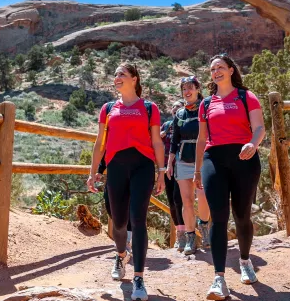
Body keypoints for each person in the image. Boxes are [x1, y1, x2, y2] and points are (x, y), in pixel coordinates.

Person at [87, 63, 165, 301]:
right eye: (115, 74)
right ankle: (121, 254)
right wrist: (93, 172)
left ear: (134, 79)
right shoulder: (109, 108)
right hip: (116, 169)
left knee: (138, 219)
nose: (117, 77)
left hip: (142, 167)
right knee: (119, 223)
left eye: (122, 74)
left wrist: (161, 172)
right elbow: (100, 142)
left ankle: (139, 278)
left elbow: (157, 142)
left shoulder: (150, 108)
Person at [193, 54, 266, 300]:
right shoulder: (205, 104)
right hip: (214, 160)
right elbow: (202, 139)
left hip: (245, 159)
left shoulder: (247, 97)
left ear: (232, 70)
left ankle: (245, 260)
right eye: (212, 69)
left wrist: (253, 144)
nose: (216, 72)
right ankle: (219, 278)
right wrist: (196, 170)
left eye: (220, 67)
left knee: (242, 215)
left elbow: (259, 128)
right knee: (219, 217)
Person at [167, 76, 211, 255]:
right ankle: (190, 237)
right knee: (186, 201)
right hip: (183, 161)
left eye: (190, 87)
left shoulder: (206, 108)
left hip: (204, 159)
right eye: (184, 89)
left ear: (198, 89)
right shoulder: (180, 114)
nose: (187, 92)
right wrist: (170, 162)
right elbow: (174, 140)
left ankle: (205, 226)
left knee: (202, 195)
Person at [160, 101, 186, 251]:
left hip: (183, 167)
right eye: (174, 107)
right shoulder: (166, 125)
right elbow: (156, 143)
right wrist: (160, 136)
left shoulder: (186, 124)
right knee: (171, 202)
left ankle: (188, 233)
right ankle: (179, 232)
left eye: (179, 107)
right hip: (167, 168)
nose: (176, 109)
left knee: (179, 199)